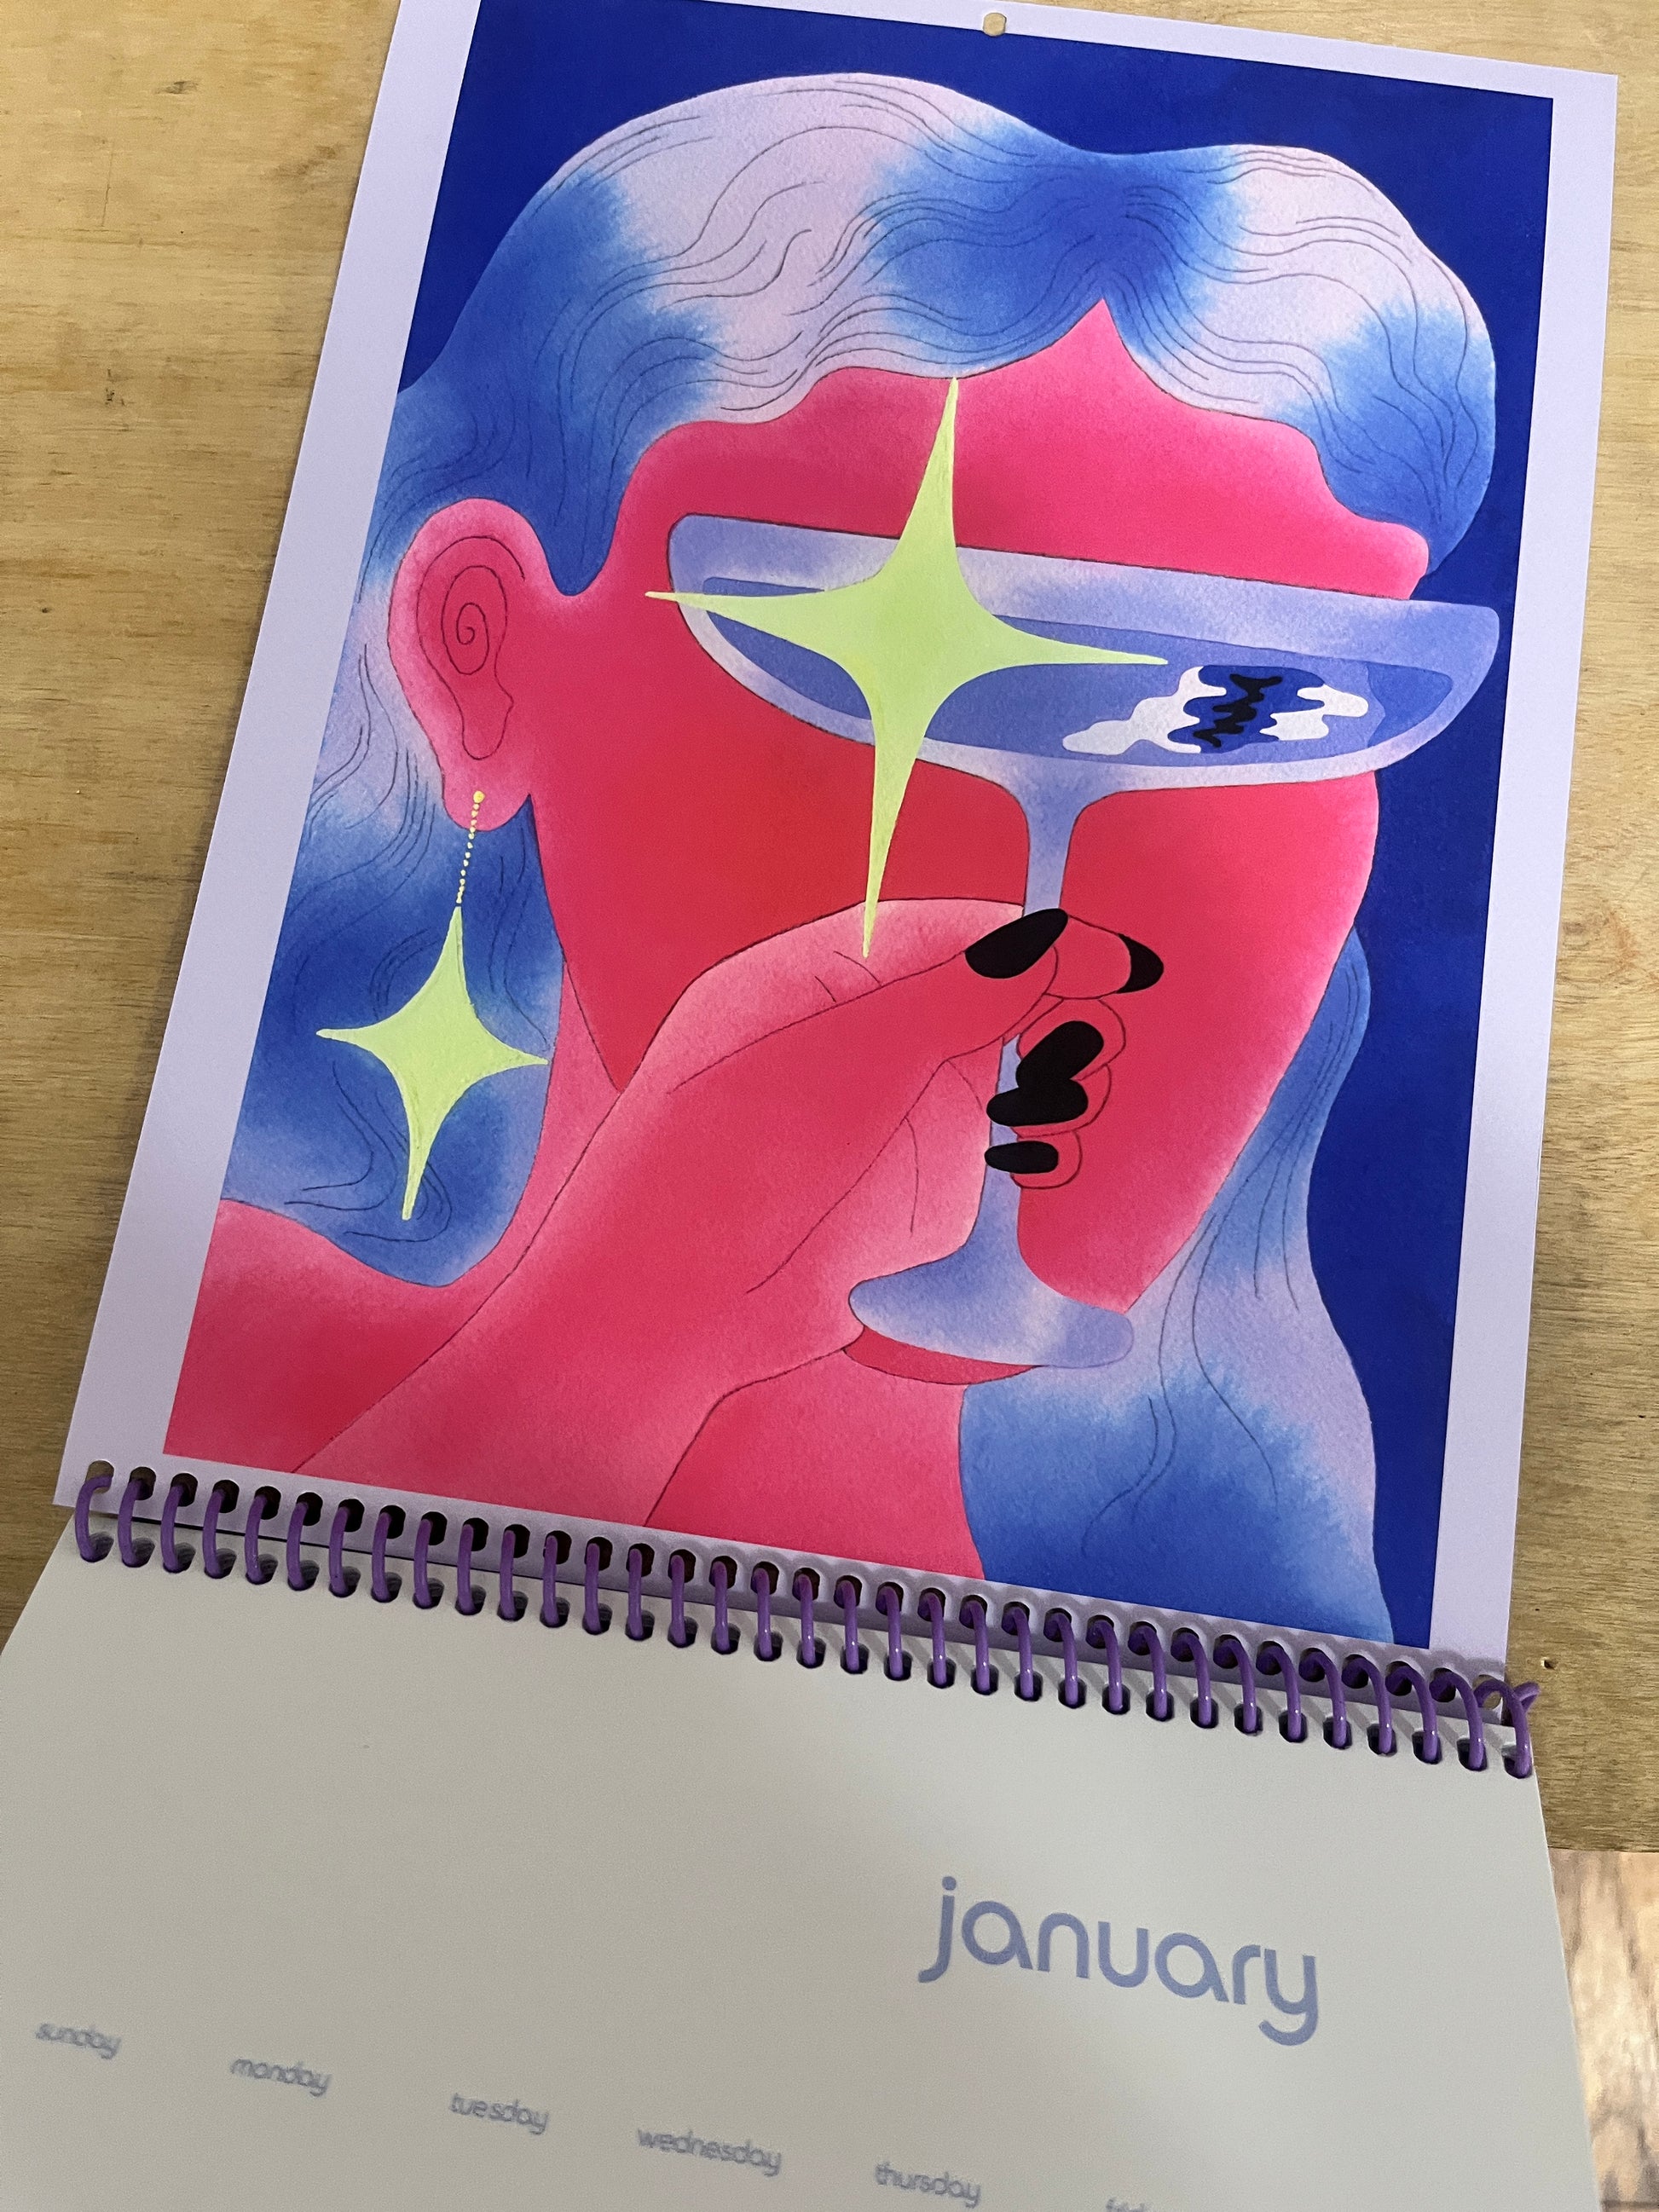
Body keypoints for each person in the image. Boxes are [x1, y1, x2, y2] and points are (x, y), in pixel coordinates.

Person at [168, 77, 1495, 1637]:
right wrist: (633, 1327)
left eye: (1250, 713)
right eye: (882, 668)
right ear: (482, 657)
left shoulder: (1215, 1591)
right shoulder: (199, 1354)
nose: (1083, 888)